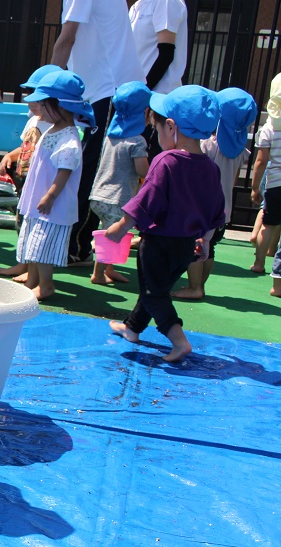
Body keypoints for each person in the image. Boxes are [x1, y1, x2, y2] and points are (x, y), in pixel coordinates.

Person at [105, 86, 223, 363]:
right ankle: (132, 328)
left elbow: (147, 199)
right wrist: (205, 240)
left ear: (170, 127)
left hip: (158, 243)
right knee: (155, 287)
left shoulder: (166, 161)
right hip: (186, 245)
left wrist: (121, 226)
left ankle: (179, 341)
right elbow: (216, 210)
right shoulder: (210, 167)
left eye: (156, 129)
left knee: (153, 293)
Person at [52, 0, 145, 266]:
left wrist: (48, 91)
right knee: (86, 167)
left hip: (109, 91)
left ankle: (77, 247)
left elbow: (66, 39)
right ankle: (79, 245)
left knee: (90, 171)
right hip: (102, 92)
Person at [16, 70, 94, 301]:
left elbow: (64, 172)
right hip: (38, 202)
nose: (38, 108)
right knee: (33, 244)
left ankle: (46, 285)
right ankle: (33, 281)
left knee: (42, 247)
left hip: (51, 206)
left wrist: (50, 196)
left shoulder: (69, 139)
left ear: (60, 106)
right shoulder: (52, 130)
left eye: (43, 104)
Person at [173, 87, 257, 300]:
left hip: (202, 208)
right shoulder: (240, 151)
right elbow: (233, 180)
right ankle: (200, 285)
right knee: (210, 247)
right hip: (223, 209)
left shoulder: (206, 145)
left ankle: (194, 287)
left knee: (195, 245)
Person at [0, 64, 61, 278]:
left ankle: (31, 268)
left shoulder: (55, 127)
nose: (30, 100)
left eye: (37, 96)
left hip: (40, 185)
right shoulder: (33, 120)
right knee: (22, 223)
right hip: (24, 182)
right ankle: (23, 263)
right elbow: (25, 147)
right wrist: (9, 156)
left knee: (35, 226)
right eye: (30, 93)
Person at [88, 81, 151, 286]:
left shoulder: (111, 136)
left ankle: (109, 268)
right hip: (117, 199)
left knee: (109, 230)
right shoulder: (137, 141)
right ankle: (98, 273)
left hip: (99, 194)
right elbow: (142, 170)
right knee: (111, 235)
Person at [128, 0, 189, 160]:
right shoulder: (136, 6)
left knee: (150, 166)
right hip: (137, 101)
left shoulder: (166, 2)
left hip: (156, 101)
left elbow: (166, 54)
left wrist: (144, 95)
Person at [250, 70, 281, 275]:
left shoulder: (270, 126)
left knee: (268, 224)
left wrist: (255, 187)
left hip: (276, 183)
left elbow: (261, 160)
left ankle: (259, 262)